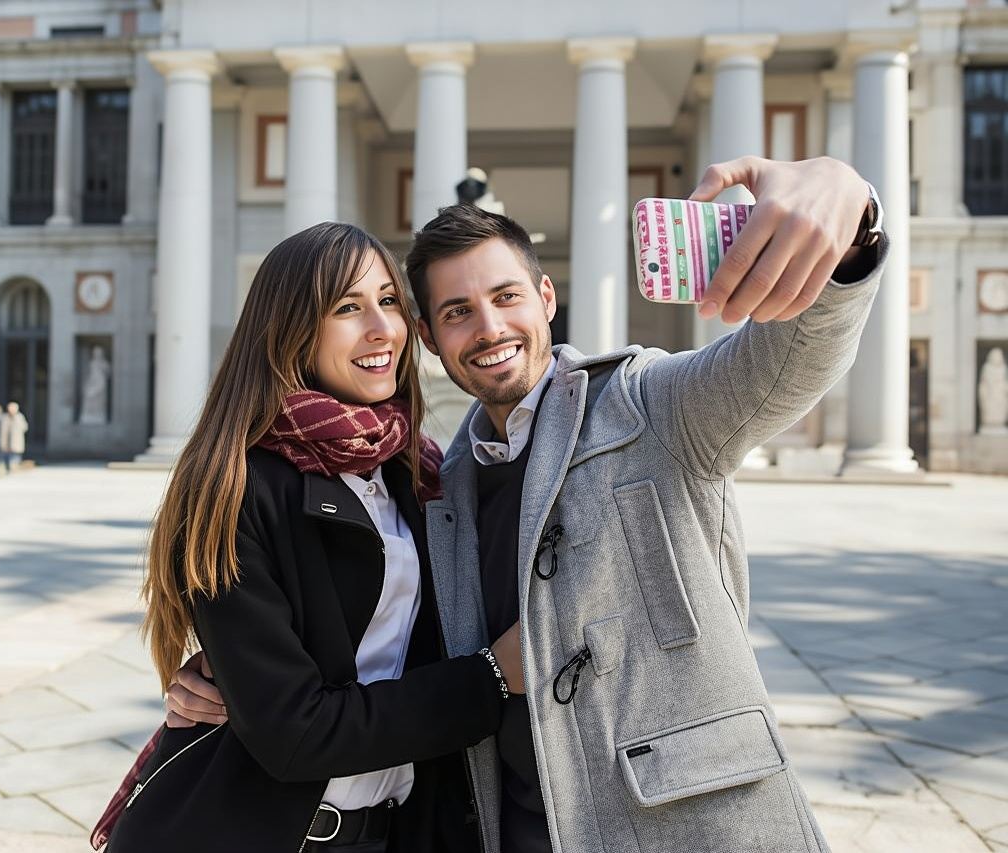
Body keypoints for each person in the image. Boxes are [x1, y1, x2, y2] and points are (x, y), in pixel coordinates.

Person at [170, 156, 889, 853]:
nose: (488, 328)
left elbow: (788, 363)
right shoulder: (434, 482)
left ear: (546, 298)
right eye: (456, 311)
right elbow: (373, 643)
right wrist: (231, 669)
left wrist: (851, 214)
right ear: (432, 338)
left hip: (687, 822)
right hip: (508, 828)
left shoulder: (649, 404)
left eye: (506, 296)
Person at [104, 222, 526, 853]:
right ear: (293, 328)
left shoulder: (419, 472)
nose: (381, 329)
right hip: (258, 831)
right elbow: (294, 733)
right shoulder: (236, 487)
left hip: (392, 831)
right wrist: (490, 680)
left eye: (388, 302)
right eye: (347, 308)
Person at [0, 401, 28, 473]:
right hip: (5, 442)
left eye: (13, 408)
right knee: (5, 458)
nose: (11, 410)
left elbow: (25, 428)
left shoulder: (19, 417)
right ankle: (7, 470)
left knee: (15, 459)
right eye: (10, 408)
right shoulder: (4, 417)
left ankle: (14, 471)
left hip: (16, 442)